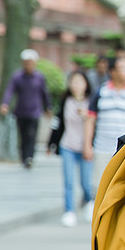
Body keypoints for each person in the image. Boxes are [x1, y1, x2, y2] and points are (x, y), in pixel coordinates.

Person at [84, 55, 125, 214]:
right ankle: (99, 215)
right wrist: (87, 145)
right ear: (113, 71)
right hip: (102, 147)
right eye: (123, 68)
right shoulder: (101, 92)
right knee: (100, 184)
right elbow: (90, 119)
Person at [47, 70, 94, 227]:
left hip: (86, 147)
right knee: (68, 181)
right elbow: (57, 124)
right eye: (73, 82)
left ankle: (88, 202)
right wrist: (50, 144)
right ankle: (69, 211)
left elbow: (95, 123)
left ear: (86, 84)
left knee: (86, 182)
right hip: (68, 145)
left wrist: (86, 115)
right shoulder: (65, 101)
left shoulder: (91, 102)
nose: (76, 85)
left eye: (79, 82)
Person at [0, 48, 52, 169]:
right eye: (26, 62)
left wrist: (48, 107)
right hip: (21, 112)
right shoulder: (17, 77)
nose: (28, 64)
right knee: (23, 136)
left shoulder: (39, 77)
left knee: (32, 135)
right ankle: (24, 158)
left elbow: (45, 93)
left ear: (35, 63)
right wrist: (5, 104)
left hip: (35, 112)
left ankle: (30, 157)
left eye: (30, 62)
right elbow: (9, 91)